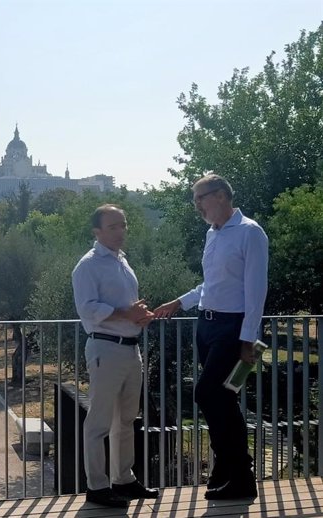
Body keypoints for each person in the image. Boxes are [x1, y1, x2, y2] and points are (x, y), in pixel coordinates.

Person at [154, 174, 268, 500]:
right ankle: (227, 470)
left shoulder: (250, 233)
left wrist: (249, 339)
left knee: (208, 393)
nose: (196, 205)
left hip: (232, 329)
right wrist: (179, 302)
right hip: (206, 326)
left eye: (199, 198)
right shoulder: (212, 233)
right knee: (223, 398)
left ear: (219, 196)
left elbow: (256, 289)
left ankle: (241, 474)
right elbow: (211, 284)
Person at [72, 204, 158, 508]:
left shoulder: (121, 261)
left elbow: (124, 306)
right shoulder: (88, 265)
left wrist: (138, 316)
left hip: (129, 348)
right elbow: (88, 309)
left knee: (126, 419)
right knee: (99, 421)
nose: (121, 231)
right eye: (113, 227)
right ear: (97, 231)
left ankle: (124, 479)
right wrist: (126, 313)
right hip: (105, 348)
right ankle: (97, 487)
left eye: (123, 225)